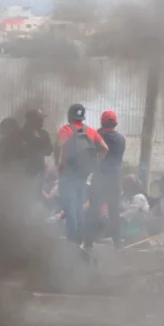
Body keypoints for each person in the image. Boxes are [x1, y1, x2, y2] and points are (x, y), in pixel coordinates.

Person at [55, 103, 108, 245]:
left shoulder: (65, 130)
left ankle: (72, 243)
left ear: (69, 115)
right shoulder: (90, 131)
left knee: (70, 210)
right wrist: (94, 164)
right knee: (79, 209)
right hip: (83, 175)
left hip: (68, 175)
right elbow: (104, 148)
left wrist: (58, 163)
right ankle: (80, 242)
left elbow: (58, 146)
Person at [85, 110, 126, 250]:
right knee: (114, 212)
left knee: (94, 210)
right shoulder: (121, 139)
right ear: (115, 123)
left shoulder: (97, 137)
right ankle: (117, 244)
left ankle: (88, 242)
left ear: (102, 122)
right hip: (115, 180)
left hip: (100, 179)